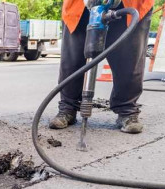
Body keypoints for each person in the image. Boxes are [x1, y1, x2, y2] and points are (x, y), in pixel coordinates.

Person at [50, 0, 154, 134]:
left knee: (128, 59)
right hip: (80, 6)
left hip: (130, 4)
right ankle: (67, 108)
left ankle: (127, 111)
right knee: (73, 60)